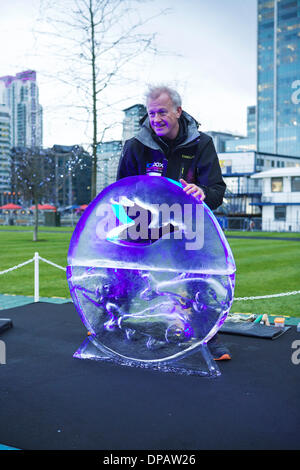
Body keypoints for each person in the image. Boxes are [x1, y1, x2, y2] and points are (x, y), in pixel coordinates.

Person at [117, 85, 231, 361]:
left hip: (188, 225)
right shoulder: (135, 146)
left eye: (162, 112)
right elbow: (119, 192)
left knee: (198, 281)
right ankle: (111, 324)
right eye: (151, 113)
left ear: (178, 111)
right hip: (144, 225)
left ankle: (209, 336)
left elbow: (217, 190)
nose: (155, 119)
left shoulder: (201, 144)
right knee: (126, 276)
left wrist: (202, 193)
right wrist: (129, 225)